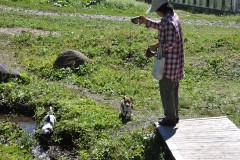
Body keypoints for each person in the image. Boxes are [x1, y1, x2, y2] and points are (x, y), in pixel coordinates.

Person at [138, 0, 184, 126]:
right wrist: (146, 21)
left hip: (169, 64)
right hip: (176, 63)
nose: (156, 13)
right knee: (173, 90)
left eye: (157, 11)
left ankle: (169, 118)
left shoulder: (169, 22)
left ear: (161, 9)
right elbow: (161, 26)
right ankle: (174, 115)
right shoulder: (173, 17)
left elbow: (170, 43)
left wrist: (156, 46)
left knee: (166, 91)